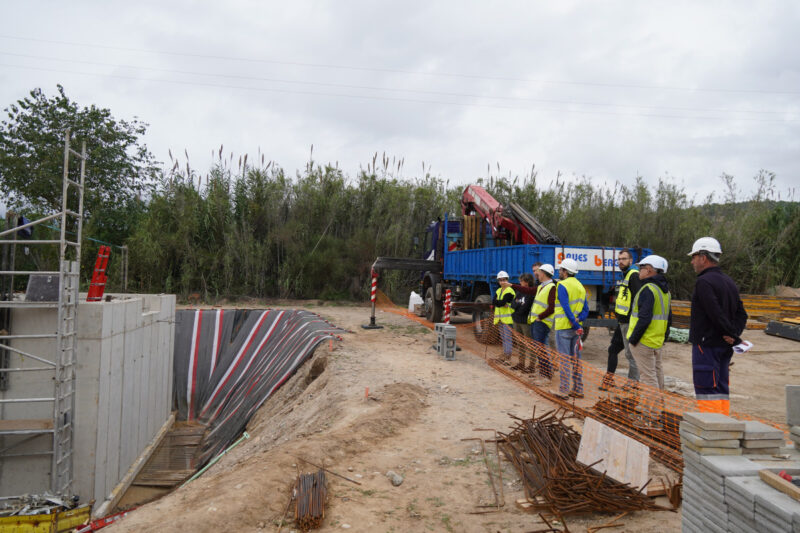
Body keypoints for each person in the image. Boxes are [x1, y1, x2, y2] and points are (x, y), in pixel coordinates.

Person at [688, 237, 747, 415]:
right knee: (721, 388)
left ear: (703, 257)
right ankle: (724, 425)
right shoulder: (729, 281)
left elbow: (715, 313)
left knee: (707, 389)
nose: (692, 261)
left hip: (707, 346)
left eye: (694, 257)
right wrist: (733, 335)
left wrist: (732, 335)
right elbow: (742, 314)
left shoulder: (704, 282)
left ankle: (711, 429)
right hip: (724, 346)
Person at [626, 255, 672, 428]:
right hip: (656, 339)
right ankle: (655, 409)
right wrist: (663, 337)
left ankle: (650, 417)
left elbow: (644, 318)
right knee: (656, 375)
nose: (639, 270)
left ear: (650, 270)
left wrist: (634, 339)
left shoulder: (648, 289)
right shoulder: (664, 290)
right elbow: (669, 319)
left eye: (642, 267)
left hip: (644, 340)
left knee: (648, 378)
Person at [601, 249, 642, 390]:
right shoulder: (624, 276)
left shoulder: (634, 275)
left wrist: (633, 320)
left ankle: (633, 382)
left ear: (630, 261)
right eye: (619, 259)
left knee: (631, 354)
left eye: (624, 259)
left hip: (630, 322)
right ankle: (609, 379)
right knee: (613, 349)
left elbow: (638, 299)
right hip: (622, 322)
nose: (620, 261)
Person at [553, 258, 589, 399]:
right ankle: (578, 389)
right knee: (576, 360)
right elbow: (585, 310)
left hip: (564, 327)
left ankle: (563, 390)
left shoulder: (562, 285)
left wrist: (573, 323)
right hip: (576, 329)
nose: (559, 272)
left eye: (561, 270)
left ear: (565, 272)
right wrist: (578, 322)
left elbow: (565, 307)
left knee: (564, 360)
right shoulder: (581, 287)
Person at [509, 273, 536, 372]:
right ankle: (521, 363)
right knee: (520, 343)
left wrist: (518, 308)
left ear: (527, 282)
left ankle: (531, 366)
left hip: (525, 322)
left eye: (521, 281)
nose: (520, 283)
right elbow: (513, 304)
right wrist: (517, 308)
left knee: (529, 344)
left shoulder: (531, 293)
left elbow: (526, 307)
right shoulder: (519, 291)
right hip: (517, 320)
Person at [492, 270, 516, 363]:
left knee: (507, 338)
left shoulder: (510, 291)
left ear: (507, 280)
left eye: (504, 280)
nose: (502, 282)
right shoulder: (498, 291)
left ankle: (508, 358)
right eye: (500, 280)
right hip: (500, 319)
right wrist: (500, 303)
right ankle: (505, 354)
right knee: (503, 338)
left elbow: (500, 303)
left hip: (507, 319)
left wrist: (500, 303)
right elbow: (494, 302)